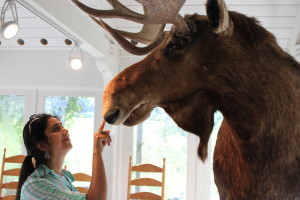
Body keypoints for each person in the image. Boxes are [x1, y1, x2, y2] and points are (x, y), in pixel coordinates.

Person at [16, 113, 111, 200]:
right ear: (43, 145)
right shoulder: (34, 186)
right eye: (55, 129)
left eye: (62, 126)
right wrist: (97, 151)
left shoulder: (63, 178)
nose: (65, 130)